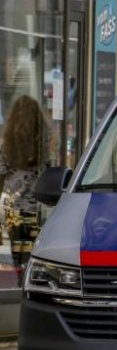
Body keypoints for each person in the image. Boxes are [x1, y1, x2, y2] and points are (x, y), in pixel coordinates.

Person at [0, 95, 49, 271]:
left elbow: (1, 176)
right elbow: (48, 169)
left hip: (13, 208)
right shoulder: (43, 143)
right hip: (37, 207)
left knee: (18, 254)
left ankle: (21, 281)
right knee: (33, 255)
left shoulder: (6, 145)